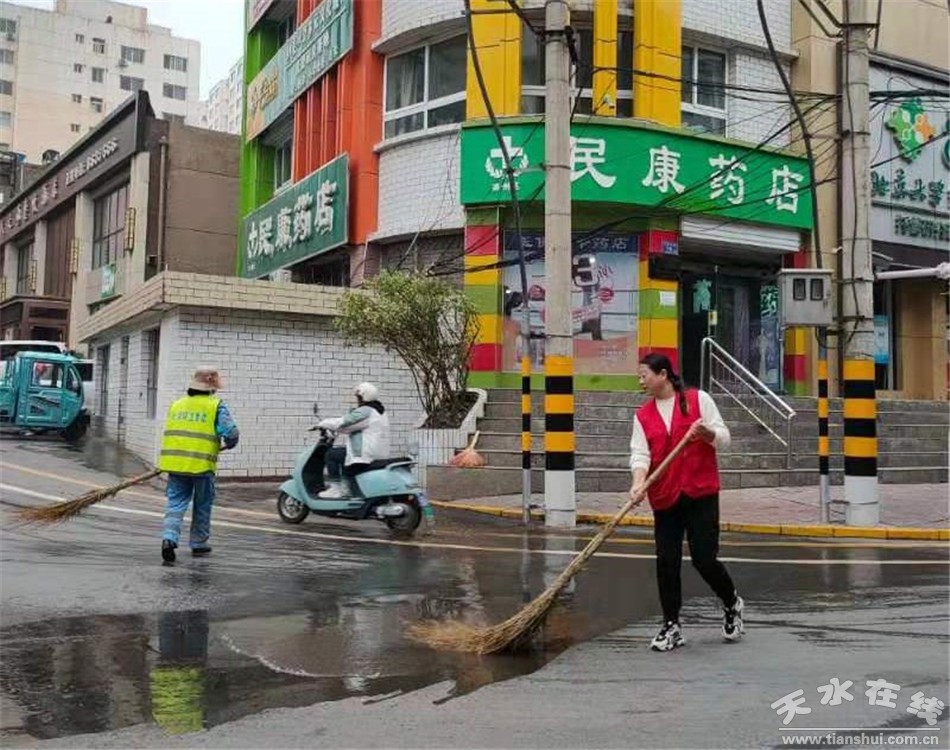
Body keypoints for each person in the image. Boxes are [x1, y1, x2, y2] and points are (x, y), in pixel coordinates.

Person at [628, 352, 744, 652]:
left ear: (663, 374)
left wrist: (707, 433)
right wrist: (638, 483)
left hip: (700, 492)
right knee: (666, 561)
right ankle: (672, 625)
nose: (641, 381)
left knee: (704, 558)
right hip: (665, 496)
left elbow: (724, 438)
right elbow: (640, 454)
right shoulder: (643, 416)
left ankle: (731, 602)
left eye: (644, 374)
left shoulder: (698, 400)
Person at [158, 367, 239, 565]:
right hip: (201, 465)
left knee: (175, 503)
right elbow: (231, 432)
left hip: (176, 464)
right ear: (211, 387)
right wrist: (230, 443)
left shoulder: (177, 404)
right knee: (202, 503)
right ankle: (198, 543)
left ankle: (169, 538)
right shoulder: (215, 405)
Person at [318, 381, 390, 499]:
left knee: (332, 454)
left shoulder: (366, 411)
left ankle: (336, 489)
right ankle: (346, 488)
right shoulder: (380, 410)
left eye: (359, 397)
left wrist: (323, 423)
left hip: (365, 453)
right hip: (377, 453)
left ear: (364, 396)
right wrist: (336, 429)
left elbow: (344, 422)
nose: (358, 400)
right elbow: (351, 427)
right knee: (345, 455)